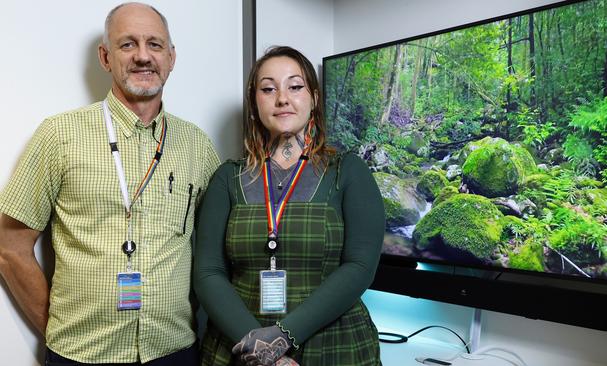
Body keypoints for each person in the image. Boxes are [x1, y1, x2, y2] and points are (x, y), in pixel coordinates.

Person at [0, 2, 219, 365]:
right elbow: (10, 246)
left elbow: (220, 249)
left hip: (175, 352)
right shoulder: (59, 135)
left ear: (171, 57)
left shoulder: (197, 145)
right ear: (105, 56)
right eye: (127, 44)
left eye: (155, 44)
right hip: (82, 355)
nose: (143, 56)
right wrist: (55, 330)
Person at [194, 46, 385, 366]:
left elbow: (360, 267)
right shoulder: (227, 178)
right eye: (268, 89)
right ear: (254, 104)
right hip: (239, 347)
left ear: (313, 98)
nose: (282, 98)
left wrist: (283, 336)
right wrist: (262, 350)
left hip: (334, 347)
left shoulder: (348, 172)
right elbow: (208, 273)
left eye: (295, 86)